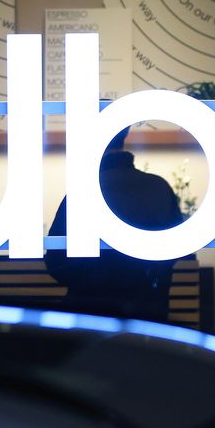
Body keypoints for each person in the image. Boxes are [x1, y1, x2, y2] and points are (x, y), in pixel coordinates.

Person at [44, 125, 184, 322]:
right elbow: (177, 250)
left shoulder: (84, 192)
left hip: (90, 319)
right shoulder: (158, 187)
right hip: (149, 318)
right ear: (124, 136)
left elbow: (56, 263)